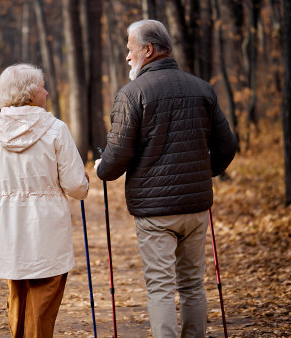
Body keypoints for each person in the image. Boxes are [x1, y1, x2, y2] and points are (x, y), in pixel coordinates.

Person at [94, 20, 237, 338]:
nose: (127, 57)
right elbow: (228, 146)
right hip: (195, 208)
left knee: (160, 288)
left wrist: (101, 168)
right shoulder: (202, 88)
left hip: (155, 213)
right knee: (192, 286)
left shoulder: (132, 94)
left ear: (148, 50)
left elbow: (116, 160)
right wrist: (202, 173)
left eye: (130, 49)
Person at [0, 63, 89, 337]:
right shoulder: (56, 128)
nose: (46, 91)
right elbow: (76, 185)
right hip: (47, 227)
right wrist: (83, 185)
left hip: (6, 226)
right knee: (44, 296)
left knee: (17, 293)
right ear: (31, 93)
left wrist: (2, 195)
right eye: (42, 86)